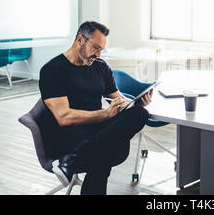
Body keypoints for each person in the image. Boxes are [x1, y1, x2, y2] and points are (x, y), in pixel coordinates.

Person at [39, 21, 153, 195]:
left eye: (102, 50)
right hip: (68, 134)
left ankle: (71, 160)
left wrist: (135, 103)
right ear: (80, 40)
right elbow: (64, 117)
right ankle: (70, 157)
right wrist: (105, 114)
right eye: (96, 48)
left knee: (140, 113)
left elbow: (118, 99)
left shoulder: (100, 66)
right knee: (104, 153)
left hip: (96, 132)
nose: (98, 54)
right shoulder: (53, 70)